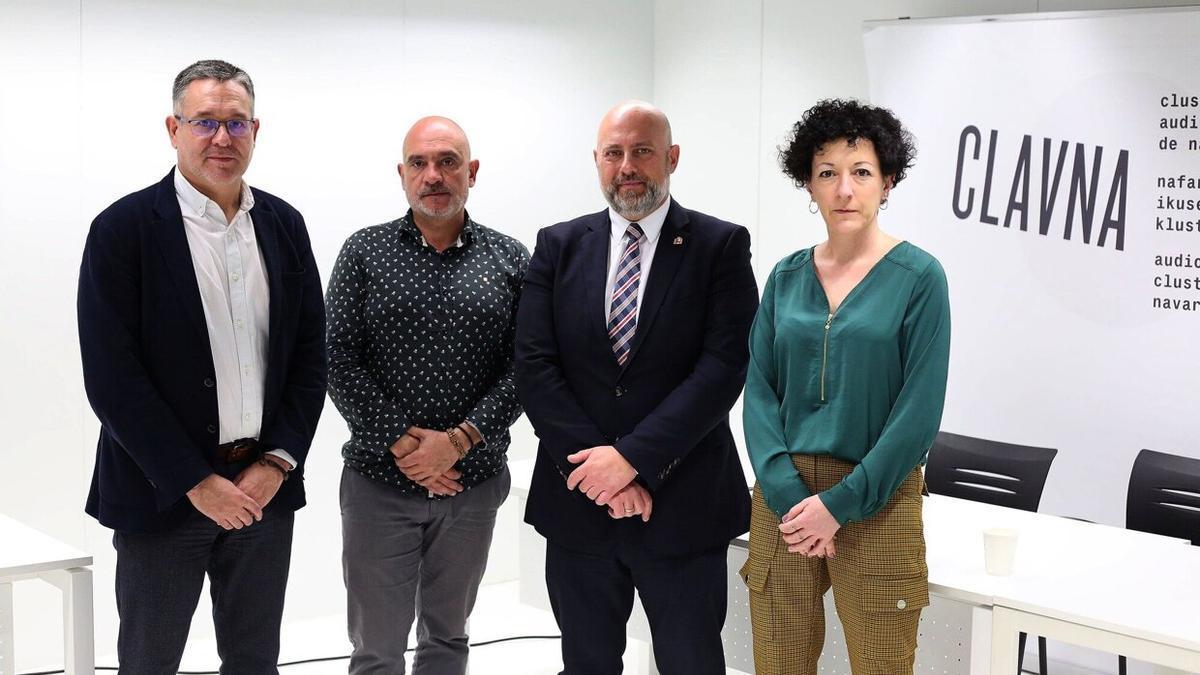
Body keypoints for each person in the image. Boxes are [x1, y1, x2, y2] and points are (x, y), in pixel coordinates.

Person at [77, 59, 327, 674]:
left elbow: (309, 357)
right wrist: (195, 480)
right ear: (174, 128)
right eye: (206, 122)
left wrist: (278, 461)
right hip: (164, 495)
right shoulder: (123, 229)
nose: (222, 138)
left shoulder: (283, 224)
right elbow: (113, 378)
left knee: (254, 660)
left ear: (255, 130)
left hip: (263, 489)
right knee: (150, 659)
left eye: (236, 124)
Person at [516, 101, 759, 674]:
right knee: (587, 662)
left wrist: (633, 461)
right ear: (597, 162)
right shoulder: (558, 245)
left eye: (642, 151)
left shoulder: (719, 246)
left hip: (683, 505)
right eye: (614, 153)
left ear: (671, 158)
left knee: (690, 661)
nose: (628, 166)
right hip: (579, 503)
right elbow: (535, 366)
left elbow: (722, 368)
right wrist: (601, 473)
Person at [741, 98, 951, 675]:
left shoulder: (919, 277)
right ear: (808, 185)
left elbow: (918, 411)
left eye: (861, 172)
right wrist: (787, 494)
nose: (844, 189)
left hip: (878, 497)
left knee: (882, 665)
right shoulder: (785, 277)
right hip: (784, 498)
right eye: (827, 172)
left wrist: (840, 505)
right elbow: (758, 392)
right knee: (779, 663)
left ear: (888, 182)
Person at [326, 116, 529, 675]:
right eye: (419, 163)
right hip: (379, 481)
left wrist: (458, 442)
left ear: (473, 172)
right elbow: (338, 360)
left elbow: (527, 367)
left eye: (448, 162)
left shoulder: (510, 259)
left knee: (448, 637)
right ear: (402, 173)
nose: (433, 175)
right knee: (376, 648)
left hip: (473, 483)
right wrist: (406, 446)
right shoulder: (364, 252)